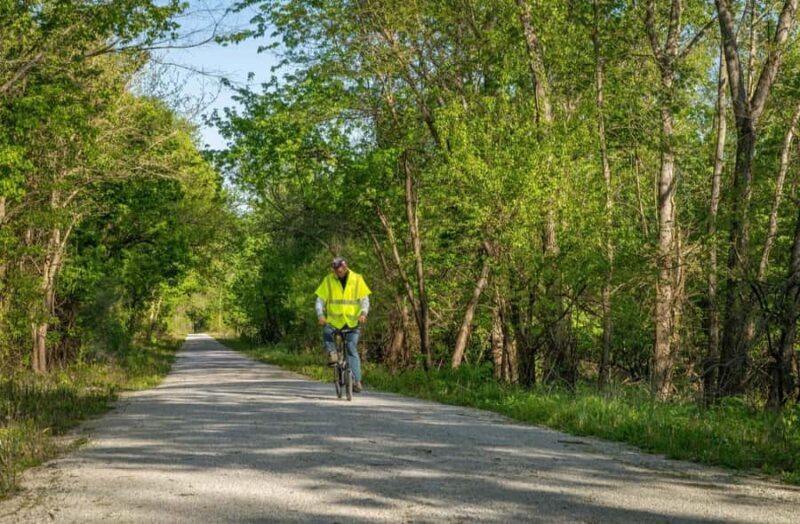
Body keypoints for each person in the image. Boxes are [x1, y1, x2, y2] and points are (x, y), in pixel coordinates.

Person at [315, 257, 371, 392]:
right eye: (335, 269)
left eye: (339, 269)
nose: (337, 272)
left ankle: (357, 381)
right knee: (327, 333)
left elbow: (365, 300)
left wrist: (363, 313)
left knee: (351, 348)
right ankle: (332, 355)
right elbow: (319, 301)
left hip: (352, 322)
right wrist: (320, 315)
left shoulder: (357, 279)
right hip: (333, 322)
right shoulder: (328, 280)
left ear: (345, 267)